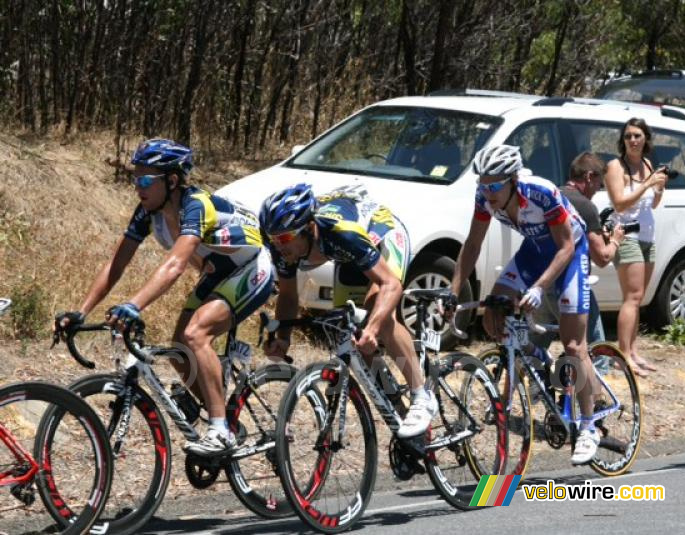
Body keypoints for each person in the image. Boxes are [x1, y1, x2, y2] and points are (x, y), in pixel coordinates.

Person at [55, 139, 274, 455]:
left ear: (171, 181)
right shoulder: (147, 212)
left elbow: (175, 264)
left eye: (145, 180)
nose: (137, 187)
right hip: (218, 272)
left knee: (196, 335)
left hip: (252, 267)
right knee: (177, 350)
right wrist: (81, 311)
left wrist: (134, 304)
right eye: (135, 179)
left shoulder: (196, 205)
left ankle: (220, 431)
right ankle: (224, 416)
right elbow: (116, 264)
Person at [447, 144, 600, 465]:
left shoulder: (541, 193)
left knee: (574, 346)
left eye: (493, 186)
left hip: (570, 253)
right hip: (534, 252)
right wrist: (453, 291)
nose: (487, 193)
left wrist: (539, 288)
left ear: (513, 181)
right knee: (494, 310)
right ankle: (533, 359)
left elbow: (566, 247)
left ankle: (588, 427)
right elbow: (472, 245)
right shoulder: (485, 198)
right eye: (482, 185)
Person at [259, 183, 437, 438]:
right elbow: (288, 294)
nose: (278, 246)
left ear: (308, 229)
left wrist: (374, 328)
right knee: (352, 336)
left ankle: (421, 396)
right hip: (345, 257)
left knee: (380, 316)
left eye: (285, 238)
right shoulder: (284, 247)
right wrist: (283, 338)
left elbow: (391, 285)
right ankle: (397, 408)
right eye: (274, 239)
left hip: (382, 236)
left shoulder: (340, 233)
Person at [531, 152, 625, 349]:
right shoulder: (585, 206)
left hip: (541, 281)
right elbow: (602, 257)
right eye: (598, 185)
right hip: (569, 284)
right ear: (589, 177)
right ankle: (582, 380)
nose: (596, 191)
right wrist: (615, 240)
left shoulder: (553, 196)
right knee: (594, 348)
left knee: (534, 351)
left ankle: (536, 379)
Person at [604, 118, 668, 377]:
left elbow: (652, 205)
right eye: (628, 135)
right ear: (623, 140)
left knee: (638, 298)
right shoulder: (615, 166)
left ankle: (632, 351)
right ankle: (622, 355)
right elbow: (619, 203)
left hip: (647, 236)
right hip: (626, 235)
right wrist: (646, 185)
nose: (633, 140)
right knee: (630, 297)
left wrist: (660, 189)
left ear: (646, 139)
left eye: (637, 135)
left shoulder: (648, 165)